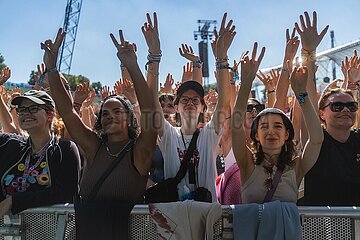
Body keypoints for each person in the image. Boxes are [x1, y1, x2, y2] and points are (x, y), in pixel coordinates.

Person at [41, 27, 157, 238]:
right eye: (104, 113)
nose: (109, 116)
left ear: (130, 118)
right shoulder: (94, 147)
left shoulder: (140, 151)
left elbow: (149, 112)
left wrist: (132, 64)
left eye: (117, 111)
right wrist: (51, 68)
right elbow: (67, 112)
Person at [146, 13, 233, 202]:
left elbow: (224, 101)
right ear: (176, 107)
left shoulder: (209, 134)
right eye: (185, 100)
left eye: (196, 100)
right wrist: (154, 57)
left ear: (203, 107)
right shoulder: (169, 135)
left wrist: (222, 59)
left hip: (206, 216)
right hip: (173, 217)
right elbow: (152, 103)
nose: (190, 103)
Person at [232, 41, 324, 203]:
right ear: (257, 135)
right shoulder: (247, 163)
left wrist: (302, 95)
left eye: (278, 126)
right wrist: (247, 82)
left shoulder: (296, 167)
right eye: (264, 126)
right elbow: (236, 126)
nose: (271, 131)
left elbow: (317, 139)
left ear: (287, 134)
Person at [0, 90, 80, 216]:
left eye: (33, 108)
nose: (25, 113)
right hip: (8, 232)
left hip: (50, 231)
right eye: (21, 110)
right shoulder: (10, 145)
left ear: (50, 115)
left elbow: (64, 192)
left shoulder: (65, 149)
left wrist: (14, 201)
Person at [303, 88, 360, 205]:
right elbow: (308, 108)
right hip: (323, 221)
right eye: (337, 106)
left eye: (351, 106)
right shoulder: (316, 141)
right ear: (321, 114)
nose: (345, 110)